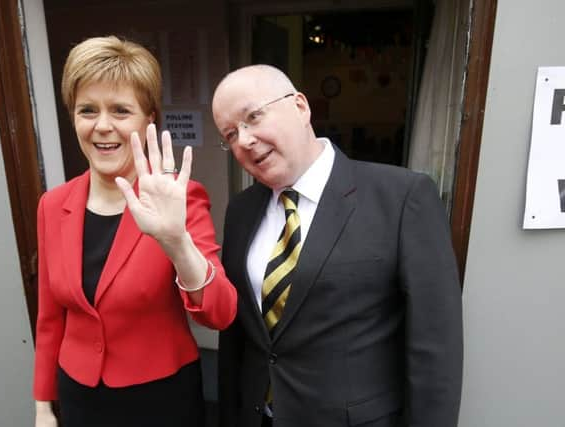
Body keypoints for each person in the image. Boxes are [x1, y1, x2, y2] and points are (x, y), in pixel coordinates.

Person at [212, 64, 462, 427]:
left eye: (253, 117)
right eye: (231, 134)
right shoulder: (242, 210)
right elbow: (237, 336)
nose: (245, 140)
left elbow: (435, 349)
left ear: (300, 106)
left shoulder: (401, 197)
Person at [33, 36, 237, 427]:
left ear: (148, 120)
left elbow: (220, 313)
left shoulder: (181, 197)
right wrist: (43, 406)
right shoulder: (53, 205)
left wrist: (176, 242)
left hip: (160, 397)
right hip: (79, 395)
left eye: (121, 110)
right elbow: (50, 317)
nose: (102, 126)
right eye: (87, 110)